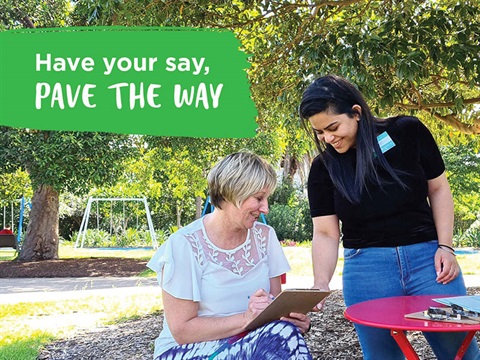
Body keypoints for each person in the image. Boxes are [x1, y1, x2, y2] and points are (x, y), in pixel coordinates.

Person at [298, 74, 480, 360]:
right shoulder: (323, 168)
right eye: (320, 133)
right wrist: (321, 281)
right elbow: (325, 232)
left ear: (356, 112)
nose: (328, 138)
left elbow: (439, 188)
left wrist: (446, 246)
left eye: (333, 127)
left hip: (430, 265)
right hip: (367, 272)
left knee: (460, 353)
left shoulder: (408, 131)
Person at [147, 151, 312, 360]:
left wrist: (292, 320)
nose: (266, 208)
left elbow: (273, 308)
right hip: (186, 351)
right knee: (282, 336)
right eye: (259, 198)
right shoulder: (184, 244)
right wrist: (246, 318)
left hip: (247, 342)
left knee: (285, 332)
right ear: (231, 193)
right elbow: (182, 331)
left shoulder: (265, 236)